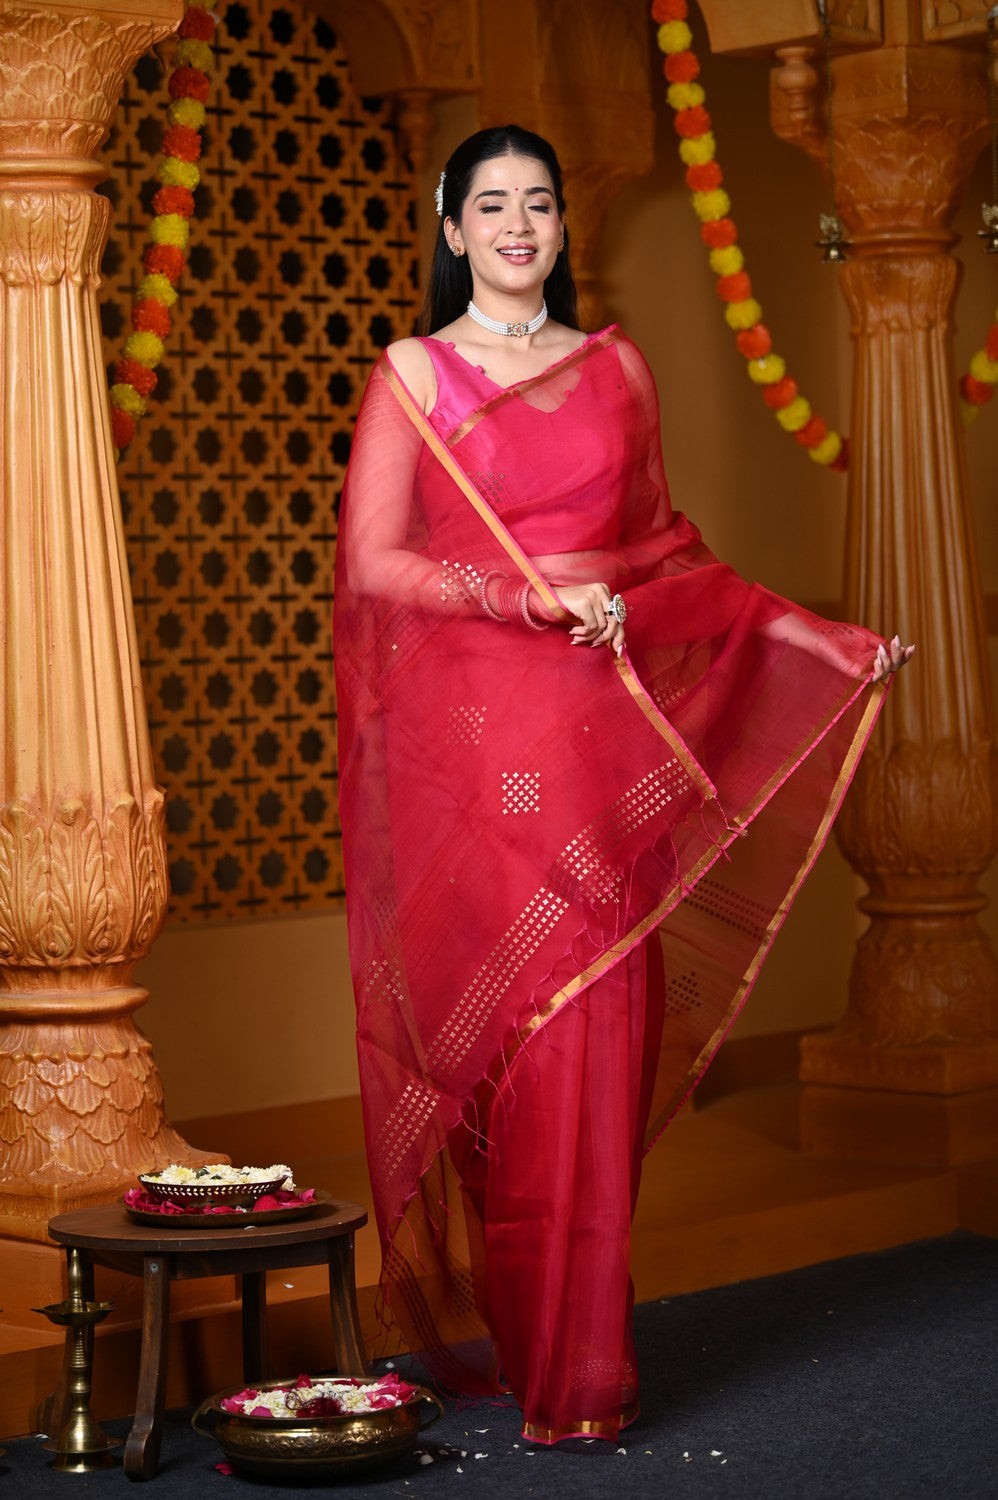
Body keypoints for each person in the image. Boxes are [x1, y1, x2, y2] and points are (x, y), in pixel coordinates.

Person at [333, 124, 912, 1446]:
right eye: (492, 206)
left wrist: (819, 641)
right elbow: (373, 563)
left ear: (558, 225)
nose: (518, 226)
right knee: (517, 1045)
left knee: (598, 1032)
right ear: (451, 228)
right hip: (478, 751)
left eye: (538, 203)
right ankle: (540, 1347)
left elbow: (666, 554)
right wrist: (518, 598)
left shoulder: (617, 369)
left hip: (606, 734)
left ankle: (584, 1366)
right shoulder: (413, 374)